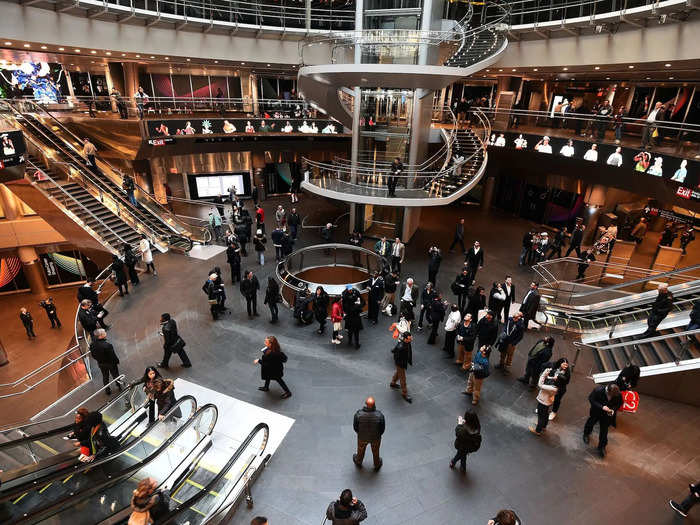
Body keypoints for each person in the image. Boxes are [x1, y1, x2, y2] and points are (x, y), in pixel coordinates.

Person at [583, 383, 622, 458]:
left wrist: (613, 410)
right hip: (596, 411)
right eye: (611, 395)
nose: (611, 397)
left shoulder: (617, 394)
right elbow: (591, 399)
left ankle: (602, 447)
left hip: (607, 415)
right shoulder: (598, 390)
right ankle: (586, 434)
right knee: (590, 423)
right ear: (608, 391)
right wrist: (601, 407)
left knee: (604, 430)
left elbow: (619, 403)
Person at [353, 397, 385, 470]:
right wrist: (378, 435)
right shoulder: (379, 415)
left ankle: (358, 461)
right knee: (376, 451)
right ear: (374, 405)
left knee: (360, 449)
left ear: (366, 405)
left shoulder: (359, 414)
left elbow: (355, 427)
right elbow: (382, 429)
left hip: (362, 437)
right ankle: (377, 463)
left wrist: (359, 433)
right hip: (375, 438)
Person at [529, 364, 560, 436]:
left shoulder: (553, 387)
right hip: (547, 401)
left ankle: (538, 430)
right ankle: (543, 426)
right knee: (545, 414)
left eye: (556, 378)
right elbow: (550, 378)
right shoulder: (556, 385)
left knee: (541, 415)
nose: (554, 377)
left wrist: (544, 374)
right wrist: (548, 375)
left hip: (543, 401)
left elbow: (540, 385)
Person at [89, 328, 123, 395]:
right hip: (111, 364)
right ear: (101, 335)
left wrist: (99, 360)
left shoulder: (92, 345)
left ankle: (107, 390)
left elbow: (93, 355)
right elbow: (113, 356)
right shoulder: (107, 345)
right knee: (115, 375)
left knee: (105, 376)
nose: (105, 333)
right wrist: (117, 361)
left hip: (101, 364)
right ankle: (119, 386)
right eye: (104, 332)